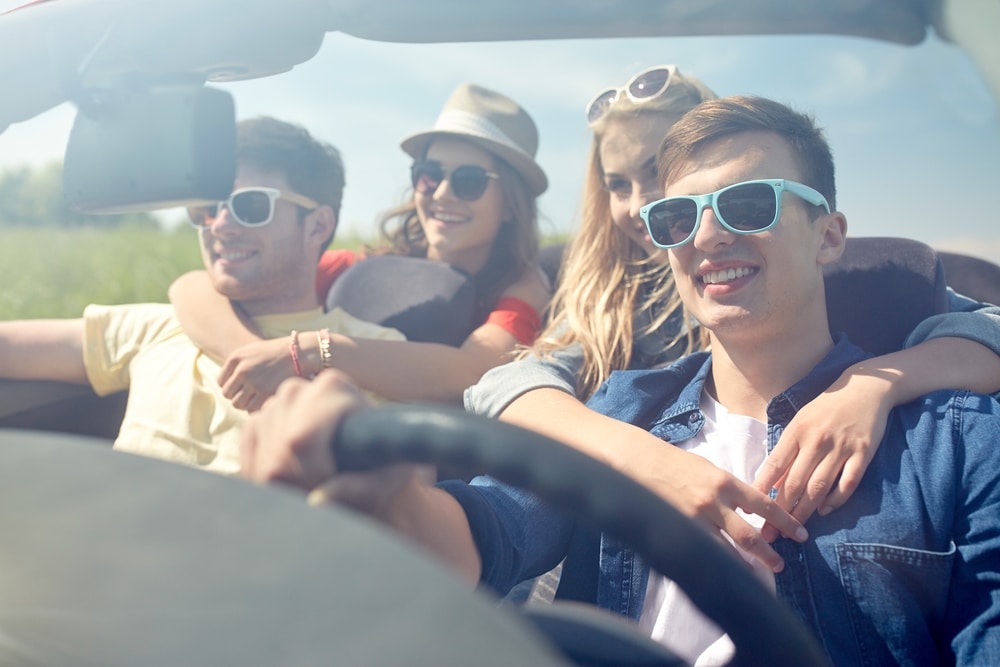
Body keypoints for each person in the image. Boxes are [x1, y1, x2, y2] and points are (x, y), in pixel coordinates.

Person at [240, 96, 1000, 664]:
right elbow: (488, 531)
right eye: (676, 217)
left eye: (745, 203)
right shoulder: (623, 405)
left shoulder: (954, 441)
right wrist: (384, 494)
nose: (706, 235)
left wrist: (876, 385)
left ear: (830, 234)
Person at [464, 65, 1000, 568]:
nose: (638, 205)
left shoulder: (826, 282)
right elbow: (510, 383)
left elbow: (986, 324)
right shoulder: (612, 298)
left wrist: (869, 385)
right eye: (618, 186)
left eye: (658, 172)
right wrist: (635, 453)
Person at [0, 116, 404, 475]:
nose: (221, 225)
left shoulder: (372, 354)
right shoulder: (157, 325)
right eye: (207, 207)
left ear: (317, 226)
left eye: (250, 205)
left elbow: (401, 495)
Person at [168, 83, 551, 410]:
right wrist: (256, 360)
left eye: (469, 181)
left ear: (511, 203)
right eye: (429, 175)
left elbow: (473, 372)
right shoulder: (364, 269)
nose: (443, 194)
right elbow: (196, 286)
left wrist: (309, 352)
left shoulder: (521, 286)